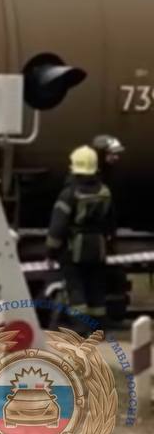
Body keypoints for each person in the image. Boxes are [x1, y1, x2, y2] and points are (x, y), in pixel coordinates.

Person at [47, 146, 115, 331]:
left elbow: (57, 226)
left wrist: (51, 251)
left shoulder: (69, 194)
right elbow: (111, 221)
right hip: (98, 247)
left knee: (75, 288)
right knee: (96, 287)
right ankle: (99, 326)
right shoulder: (105, 192)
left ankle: (80, 327)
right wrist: (109, 243)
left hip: (74, 249)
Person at [91, 134, 128, 324]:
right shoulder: (92, 183)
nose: (117, 158)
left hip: (103, 239)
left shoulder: (105, 177)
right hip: (93, 241)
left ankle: (99, 321)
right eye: (113, 154)